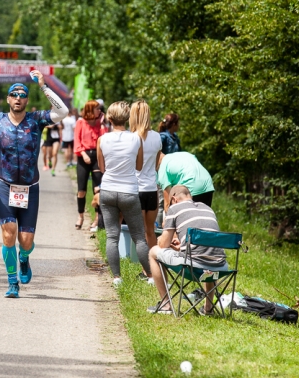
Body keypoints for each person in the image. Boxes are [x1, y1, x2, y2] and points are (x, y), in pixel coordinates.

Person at [0, 72, 68, 298]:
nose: (18, 98)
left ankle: (24, 257)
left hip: (30, 187)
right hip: (4, 185)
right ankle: (12, 282)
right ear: (8, 99)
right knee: (9, 234)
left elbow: (63, 111)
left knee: (25, 242)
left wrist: (44, 87)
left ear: (27, 100)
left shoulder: (36, 120)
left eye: (22, 95)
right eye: (14, 95)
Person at [148, 185, 228, 315]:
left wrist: (162, 238)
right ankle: (208, 308)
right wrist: (181, 247)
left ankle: (165, 304)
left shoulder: (175, 208)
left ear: (173, 199)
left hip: (193, 267)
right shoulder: (207, 208)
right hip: (220, 267)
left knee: (153, 252)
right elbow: (206, 244)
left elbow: (163, 244)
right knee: (209, 254)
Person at [96, 102, 150, 287]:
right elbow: (139, 166)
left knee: (112, 236)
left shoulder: (102, 140)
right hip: (129, 191)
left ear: (109, 119)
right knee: (139, 237)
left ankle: (117, 277)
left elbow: (102, 168)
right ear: (127, 119)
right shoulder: (136, 139)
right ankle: (151, 276)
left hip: (108, 189)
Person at [129, 100, 162, 284]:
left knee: (139, 234)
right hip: (152, 188)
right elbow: (157, 162)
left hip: (136, 188)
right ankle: (156, 267)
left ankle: (146, 270)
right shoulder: (157, 137)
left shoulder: (132, 137)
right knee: (151, 232)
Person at [73, 100, 108, 229]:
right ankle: (80, 215)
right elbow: (77, 141)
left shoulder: (100, 124)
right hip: (84, 156)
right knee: (81, 189)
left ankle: (97, 218)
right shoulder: (80, 122)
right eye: (97, 109)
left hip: (97, 156)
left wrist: (103, 124)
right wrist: (83, 154)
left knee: (97, 189)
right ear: (90, 109)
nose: (99, 111)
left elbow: (105, 141)